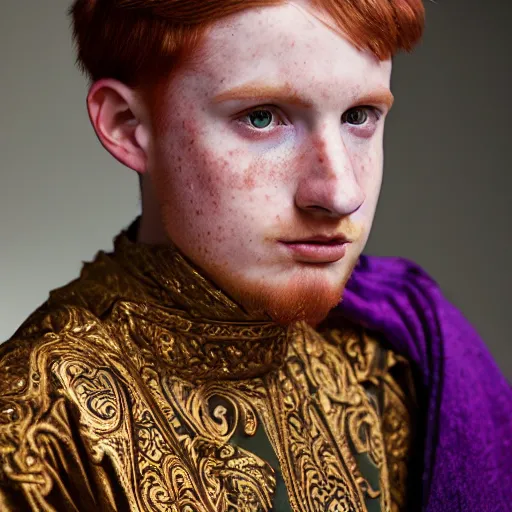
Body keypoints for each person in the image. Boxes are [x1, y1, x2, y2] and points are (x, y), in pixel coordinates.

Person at [0, 0, 510, 510]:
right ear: (128, 123)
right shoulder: (37, 424)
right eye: (262, 118)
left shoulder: (386, 374)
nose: (340, 194)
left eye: (359, 116)